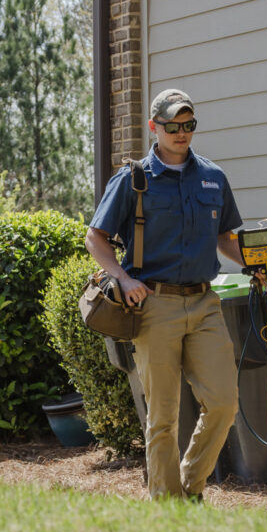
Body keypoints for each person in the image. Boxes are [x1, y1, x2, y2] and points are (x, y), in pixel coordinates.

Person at [85, 88, 247, 501]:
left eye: (188, 125)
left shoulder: (213, 177)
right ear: (155, 127)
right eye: (173, 125)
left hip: (205, 302)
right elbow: (95, 237)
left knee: (224, 402)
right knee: (163, 417)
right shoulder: (133, 179)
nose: (182, 132)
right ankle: (168, 505)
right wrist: (122, 277)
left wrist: (255, 260)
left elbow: (225, 238)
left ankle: (190, 485)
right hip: (153, 304)